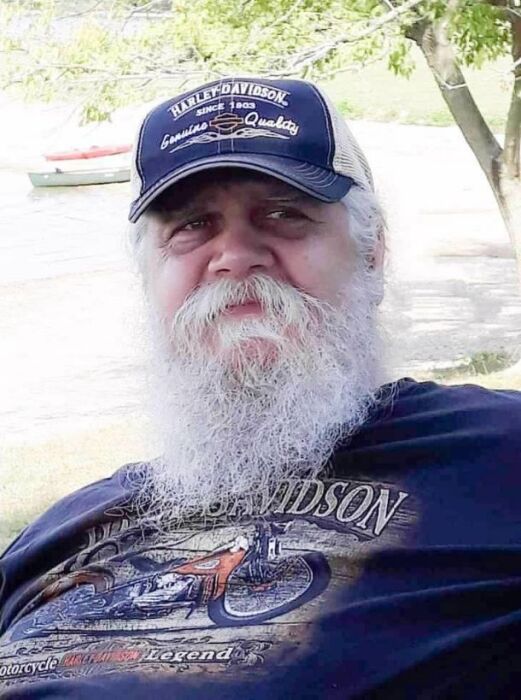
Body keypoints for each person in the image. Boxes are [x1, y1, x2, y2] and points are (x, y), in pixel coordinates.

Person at [1, 76, 520, 699]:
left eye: (283, 214)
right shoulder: (58, 533)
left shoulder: (500, 456)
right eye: (192, 225)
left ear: (372, 252)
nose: (235, 254)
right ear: (149, 279)